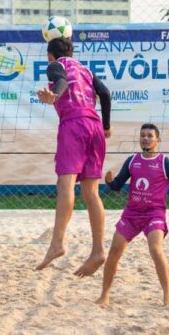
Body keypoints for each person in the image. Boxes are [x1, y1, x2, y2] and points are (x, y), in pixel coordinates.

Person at [96, 123, 169, 307]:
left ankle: (168, 293)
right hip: (132, 214)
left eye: (150, 136)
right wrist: (109, 182)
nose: (146, 138)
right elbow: (118, 186)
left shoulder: (164, 162)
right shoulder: (132, 160)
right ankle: (105, 295)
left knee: (155, 249)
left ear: (157, 140)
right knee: (114, 251)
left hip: (154, 214)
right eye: (143, 135)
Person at [35, 36, 112, 276]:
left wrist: (54, 96)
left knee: (65, 185)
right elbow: (106, 94)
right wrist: (107, 125)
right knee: (91, 192)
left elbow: (61, 81)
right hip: (95, 126)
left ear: (50, 55)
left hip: (74, 125)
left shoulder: (55, 65)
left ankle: (57, 243)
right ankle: (98, 250)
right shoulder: (86, 70)